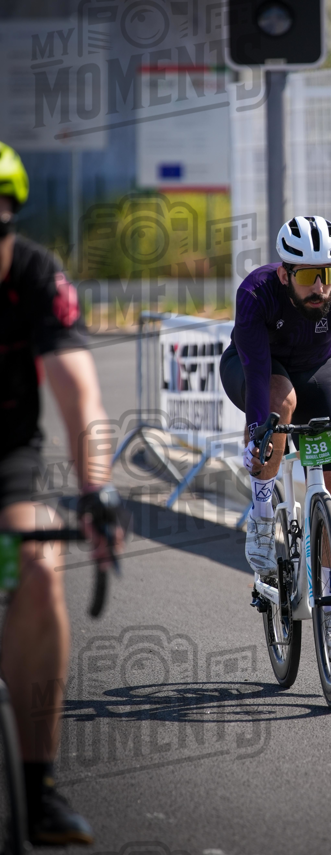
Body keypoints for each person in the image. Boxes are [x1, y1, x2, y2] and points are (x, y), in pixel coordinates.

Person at [0, 142, 122, 845]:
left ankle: (37, 784)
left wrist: (95, 493)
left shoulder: (37, 276)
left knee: (40, 568)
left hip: (6, 457)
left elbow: (82, 398)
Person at [220, 215, 331, 661]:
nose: (321, 286)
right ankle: (261, 518)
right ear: (285, 274)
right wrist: (260, 428)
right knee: (282, 399)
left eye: (328, 274)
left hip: (318, 371)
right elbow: (259, 374)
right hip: (256, 370)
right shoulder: (257, 292)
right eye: (309, 277)